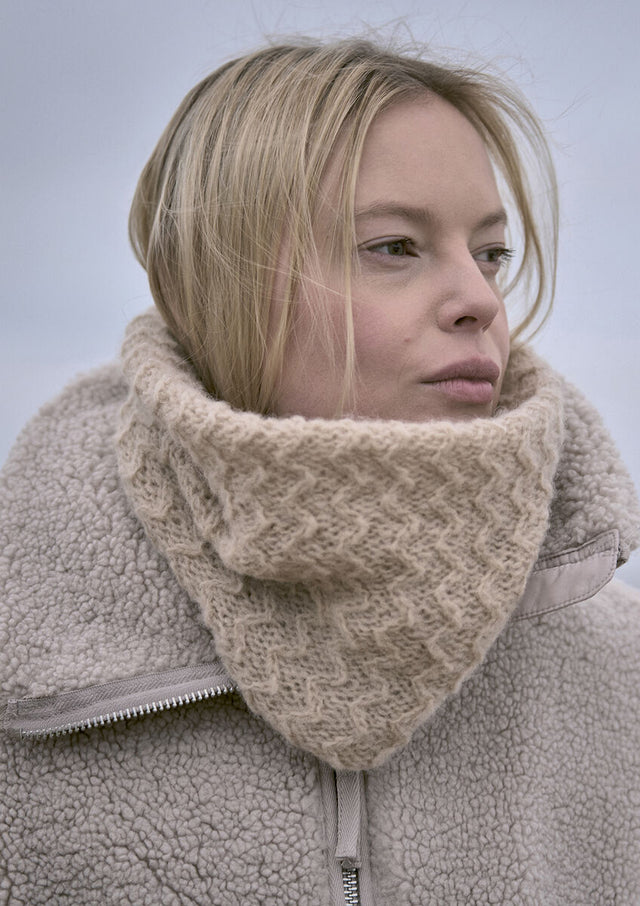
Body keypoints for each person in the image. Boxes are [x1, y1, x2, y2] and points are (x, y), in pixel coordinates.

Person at [1, 38, 639, 906]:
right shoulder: (25, 632)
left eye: (490, 252)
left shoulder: (618, 662)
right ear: (217, 282)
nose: (480, 299)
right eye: (395, 246)